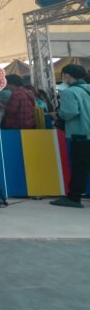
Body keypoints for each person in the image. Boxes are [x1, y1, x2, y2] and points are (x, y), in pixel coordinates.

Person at [50, 64, 90, 208]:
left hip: (81, 134)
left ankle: (74, 197)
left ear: (67, 76)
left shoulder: (69, 92)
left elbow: (70, 112)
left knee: (80, 167)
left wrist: (57, 115)